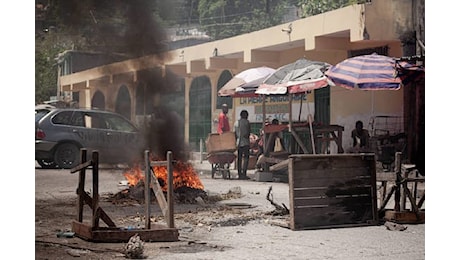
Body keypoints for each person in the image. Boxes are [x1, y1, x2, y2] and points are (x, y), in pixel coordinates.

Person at [234, 110, 251, 180]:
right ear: (245, 115)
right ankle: (244, 173)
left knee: (239, 158)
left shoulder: (236, 123)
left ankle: (239, 174)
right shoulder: (247, 122)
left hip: (238, 143)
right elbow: (248, 133)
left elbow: (234, 134)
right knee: (246, 158)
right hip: (246, 142)